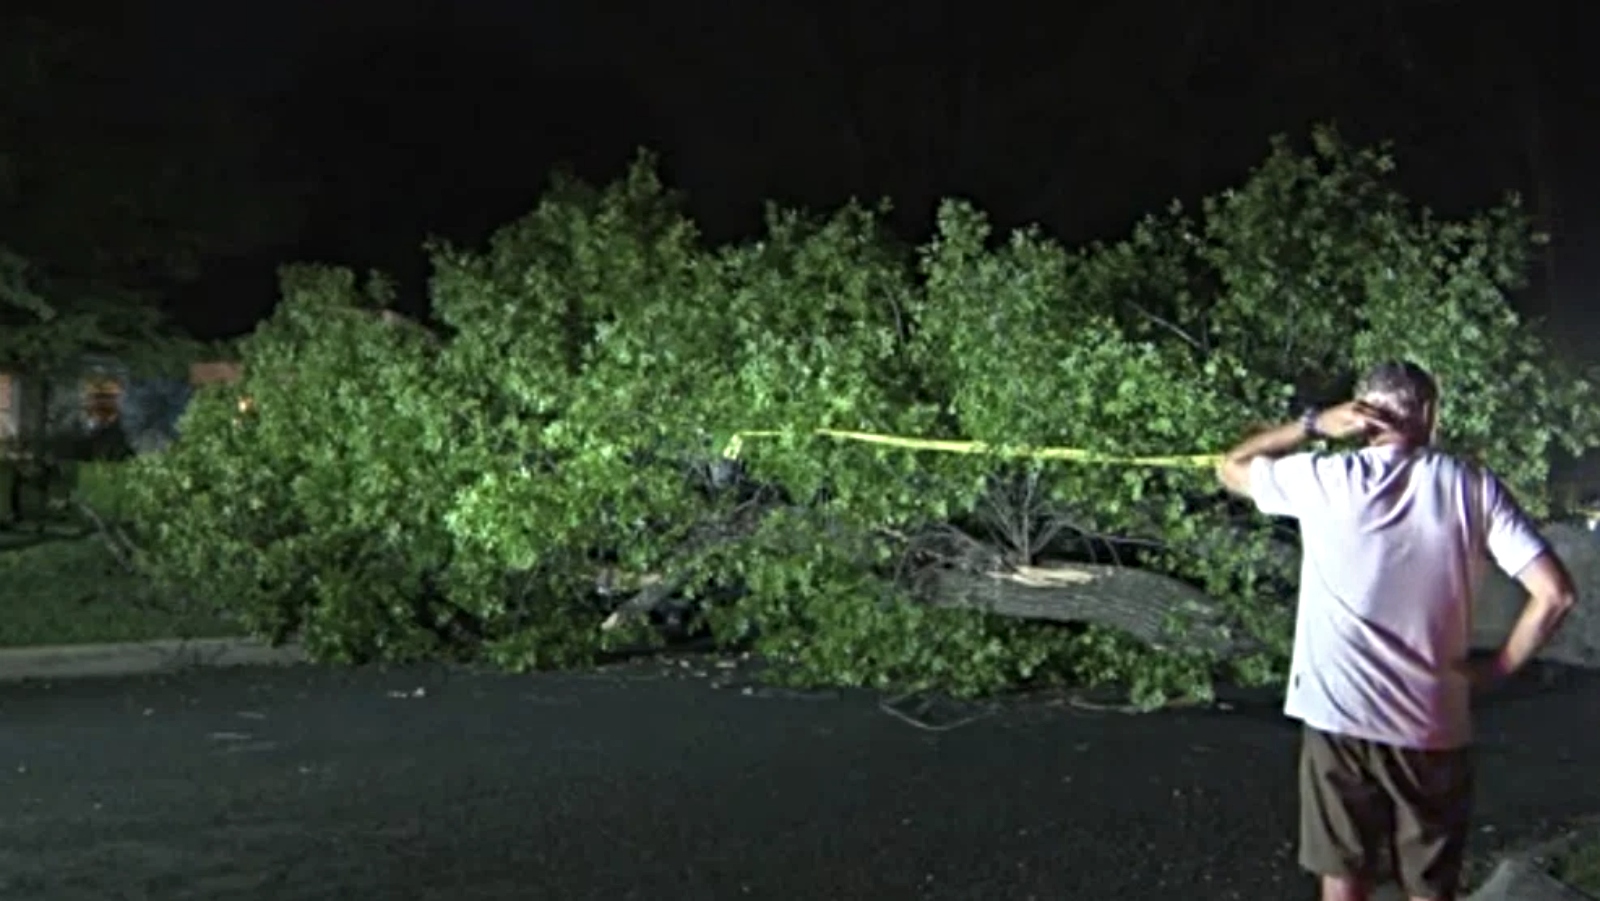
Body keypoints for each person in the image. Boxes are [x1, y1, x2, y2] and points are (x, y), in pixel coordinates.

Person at [1214, 360, 1579, 901]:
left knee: (1343, 877)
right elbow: (1556, 594)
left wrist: (1313, 426)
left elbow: (1231, 465)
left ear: (1362, 417)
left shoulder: (1323, 478)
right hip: (1430, 719)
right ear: (1428, 414)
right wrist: (1496, 668)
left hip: (1338, 714)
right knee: (1431, 884)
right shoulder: (1471, 488)